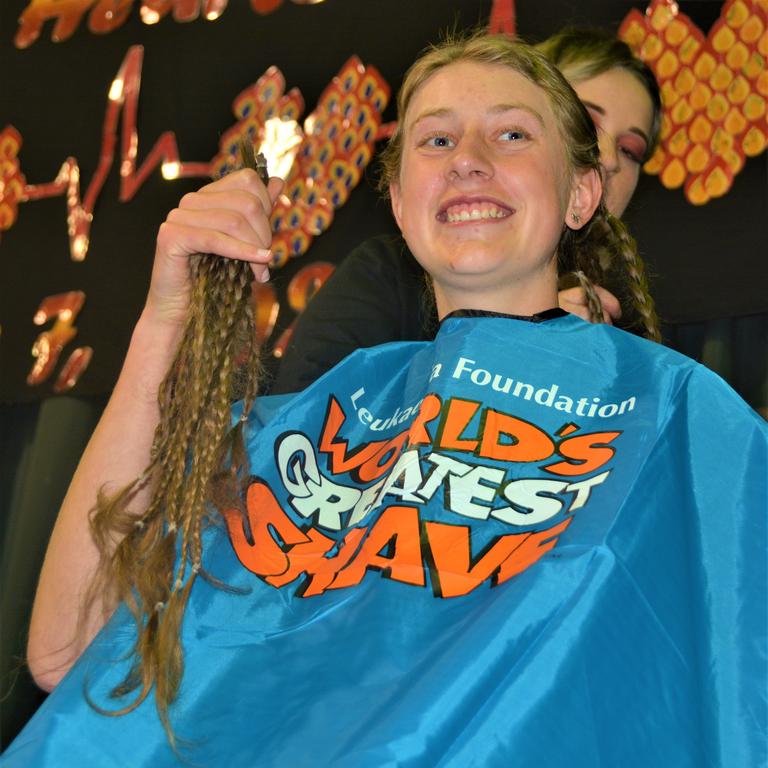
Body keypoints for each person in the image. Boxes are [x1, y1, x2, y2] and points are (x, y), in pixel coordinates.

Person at [3, 32, 764, 768]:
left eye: (511, 136)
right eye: (435, 141)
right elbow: (67, 647)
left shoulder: (671, 412)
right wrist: (163, 321)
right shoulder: (317, 420)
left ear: (581, 193)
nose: (467, 160)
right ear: (400, 204)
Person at [272, 27, 662, 395]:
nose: (608, 157)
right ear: (399, 202)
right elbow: (301, 431)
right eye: (588, 124)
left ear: (582, 192)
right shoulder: (387, 279)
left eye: (630, 150)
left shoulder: (647, 356)